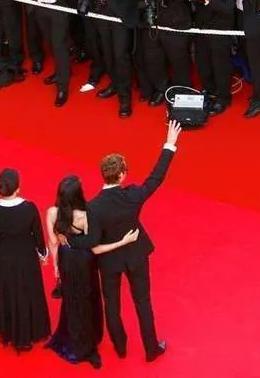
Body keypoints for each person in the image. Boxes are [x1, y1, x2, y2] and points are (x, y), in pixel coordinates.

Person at [85, 120, 181, 362]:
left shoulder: (93, 207)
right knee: (143, 302)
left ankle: (120, 348)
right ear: (122, 174)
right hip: (136, 254)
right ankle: (151, 348)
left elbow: (93, 243)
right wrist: (169, 145)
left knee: (112, 306)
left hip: (109, 262)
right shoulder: (132, 196)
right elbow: (155, 179)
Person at [45, 176, 141, 369]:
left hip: (65, 261)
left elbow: (53, 243)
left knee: (71, 300)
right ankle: (87, 341)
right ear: (78, 194)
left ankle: (72, 336)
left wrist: (56, 267)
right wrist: (124, 242)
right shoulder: (86, 215)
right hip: (83, 263)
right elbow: (95, 248)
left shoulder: (52, 212)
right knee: (87, 300)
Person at [0, 168, 50, 352]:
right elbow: (38, 235)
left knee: (9, 294)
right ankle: (30, 332)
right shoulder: (30, 208)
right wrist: (43, 255)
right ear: (18, 188)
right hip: (27, 257)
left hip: (4, 260)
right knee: (28, 293)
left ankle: (11, 333)